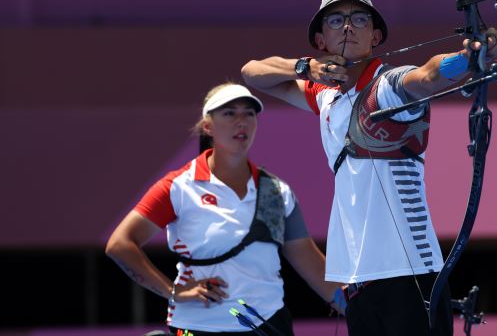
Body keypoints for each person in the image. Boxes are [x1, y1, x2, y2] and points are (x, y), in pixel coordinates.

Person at [240, 0, 497, 336]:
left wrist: (470, 58)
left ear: (375, 35)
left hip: (407, 274)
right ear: (321, 40)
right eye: (336, 20)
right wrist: (305, 68)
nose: (348, 26)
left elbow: (426, 76)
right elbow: (252, 72)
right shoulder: (325, 95)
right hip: (357, 280)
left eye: (359, 19)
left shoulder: (387, 86)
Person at [105, 82, 345, 336]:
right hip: (197, 327)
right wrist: (172, 291)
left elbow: (314, 268)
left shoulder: (277, 192)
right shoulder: (178, 187)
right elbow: (120, 245)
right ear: (208, 126)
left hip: (268, 327)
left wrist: (362, 311)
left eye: (249, 113)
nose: (241, 121)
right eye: (229, 113)